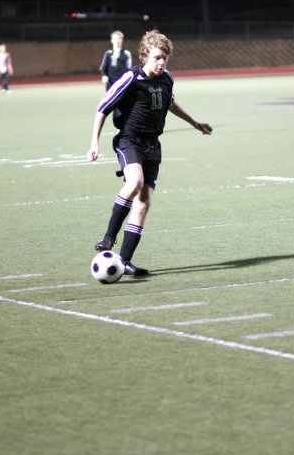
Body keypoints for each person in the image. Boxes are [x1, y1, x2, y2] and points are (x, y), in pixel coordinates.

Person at [87, 29, 213, 277]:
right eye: (157, 57)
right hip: (129, 140)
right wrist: (95, 143)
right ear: (145, 56)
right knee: (135, 182)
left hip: (152, 144)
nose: (162, 62)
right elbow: (102, 108)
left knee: (143, 204)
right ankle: (108, 239)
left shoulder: (166, 78)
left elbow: (170, 102)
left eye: (165, 57)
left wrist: (195, 123)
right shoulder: (130, 78)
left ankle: (123, 262)